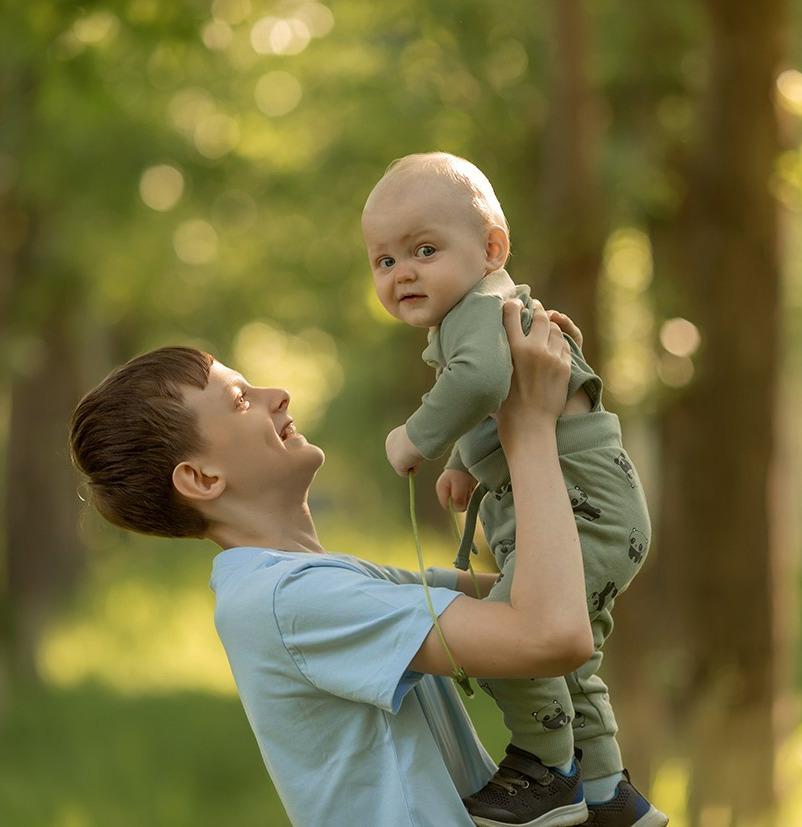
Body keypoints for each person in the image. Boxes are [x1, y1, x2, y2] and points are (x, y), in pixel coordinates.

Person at [69, 303, 643, 826]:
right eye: (240, 400)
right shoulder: (286, 602)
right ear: (201, 478)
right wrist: (529, 427)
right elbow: (551, 631)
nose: (278, 394)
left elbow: (571, 588)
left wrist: (565, 414)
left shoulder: (329, 585)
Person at [362, 152, 666, 827]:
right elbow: (497, 399)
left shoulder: (480, 310)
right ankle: (607, 792)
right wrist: (467, 464)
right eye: (384, 260)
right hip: (600, 507)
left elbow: (475, 382)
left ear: (491, 249)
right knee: (569, 656)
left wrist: (415, 438)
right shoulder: (488, 312)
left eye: (424, 250)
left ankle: (545, 769)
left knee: (509, 637)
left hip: (584, 509)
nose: (402, 271)